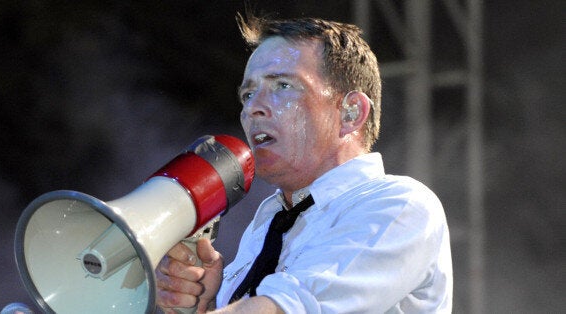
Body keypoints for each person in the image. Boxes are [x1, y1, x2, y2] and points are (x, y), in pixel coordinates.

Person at [155, 12, 453, 314]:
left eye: (283, 86)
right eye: (247, 94)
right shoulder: (269, 221)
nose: (252, 108)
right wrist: (204, 305)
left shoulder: (401, 205)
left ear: (351, 112)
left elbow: (291, 308)